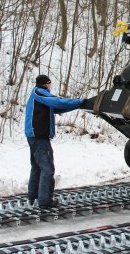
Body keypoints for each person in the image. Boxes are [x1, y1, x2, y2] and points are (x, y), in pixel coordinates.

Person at [25, 74, 85, 208]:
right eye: (49, 83)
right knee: (47, 168)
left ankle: (33, 196)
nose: (50, 86)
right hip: (39, 137)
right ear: (46, 84)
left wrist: (78, 105)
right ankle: (45, 200)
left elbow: (57, 107)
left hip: (34, 136)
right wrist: (80, 101)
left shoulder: (37, 95)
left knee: (37, 167)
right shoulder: (40, 93)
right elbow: (57, 102)